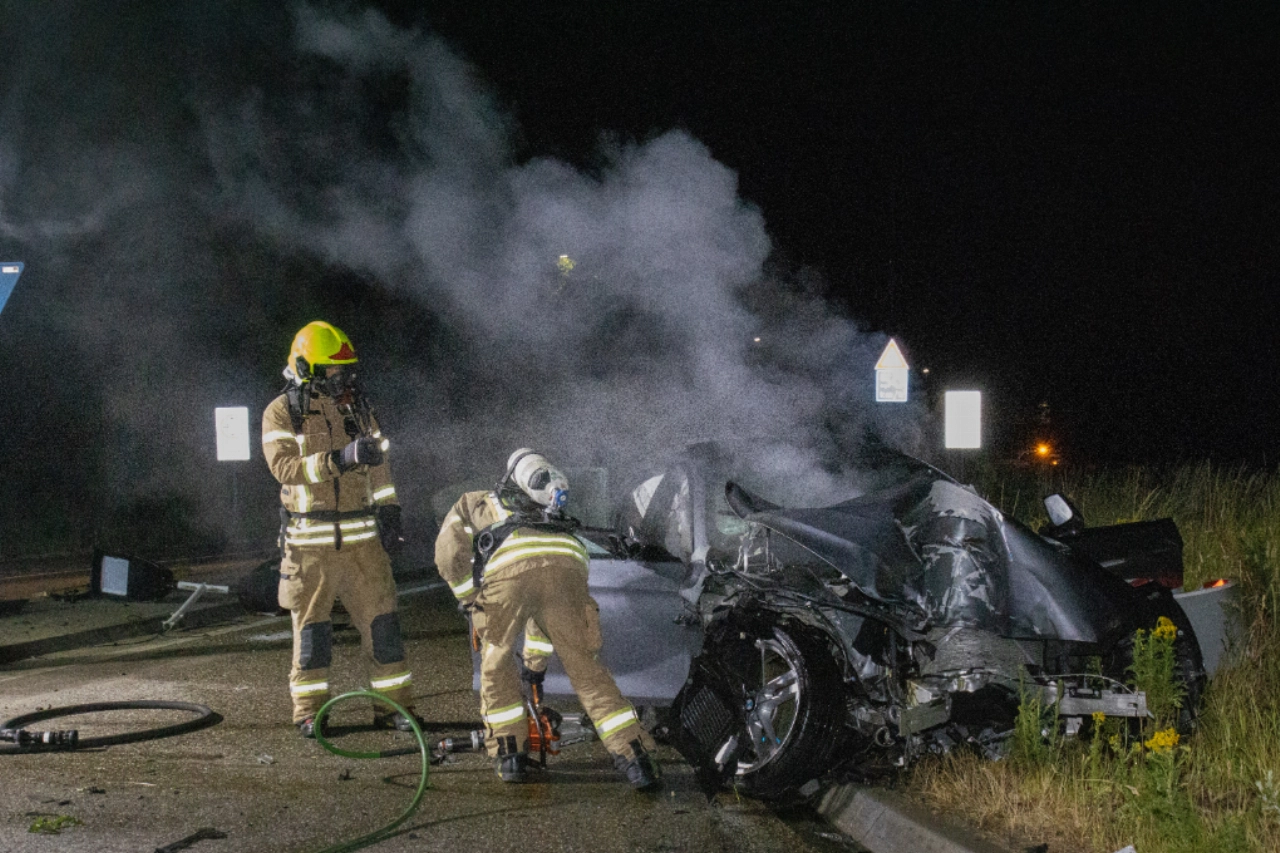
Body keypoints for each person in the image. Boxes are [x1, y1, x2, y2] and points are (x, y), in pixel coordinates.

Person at [435, 449, 661, 790]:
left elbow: (449, 552)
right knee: (589, 675)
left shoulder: (478, 501)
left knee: (496, 665)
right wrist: (535, 665)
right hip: (568, 569)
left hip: (509, 576)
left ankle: (511, 757)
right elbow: (541, 611)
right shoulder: (551, 512)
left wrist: (468, 597)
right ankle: (636, 758)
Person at [262, 320, 421, 738]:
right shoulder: (282, 412)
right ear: (308, 369)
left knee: (384, 630)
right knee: (312, 636)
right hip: (309, 548)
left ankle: (394, 710)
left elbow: (380, 464)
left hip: (363, 544)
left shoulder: (359, 407)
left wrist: (390, 509)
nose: (342, 378)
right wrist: (341, 458)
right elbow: (284, 468)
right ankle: (310, 713)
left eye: (346, 370)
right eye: (333, 372)